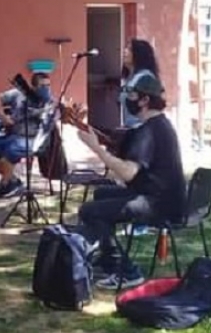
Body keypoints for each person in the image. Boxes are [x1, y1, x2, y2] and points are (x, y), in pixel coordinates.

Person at [75, 74, 186, 289]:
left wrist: (96, 149)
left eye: (132, 95)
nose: (127, 100)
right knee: (101, 194)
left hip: (159, 203)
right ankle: (109, 257)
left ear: (144, 100)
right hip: (164, 197)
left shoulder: (149, 132)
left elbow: (128, 173)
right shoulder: (160, 125)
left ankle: (127, 272)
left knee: (89, 211)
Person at [0, 72, 54, 198]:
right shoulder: (17, 94)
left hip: (34, 140)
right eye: (42, 86)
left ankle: (4, 185)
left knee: (10, 151)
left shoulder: (49, 102)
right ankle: (13, 181)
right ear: (33, 86)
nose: (46, 89)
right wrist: (2, 116)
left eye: (48, 85)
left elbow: (58, 118)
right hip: (13, 136)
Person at [118, 39, 160, 129]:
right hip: (131, 128)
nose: (125, 51)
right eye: (126, 48)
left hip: (143, 129)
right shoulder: (129, 79)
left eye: (130, 50)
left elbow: (153, 108)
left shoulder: (146, 78)